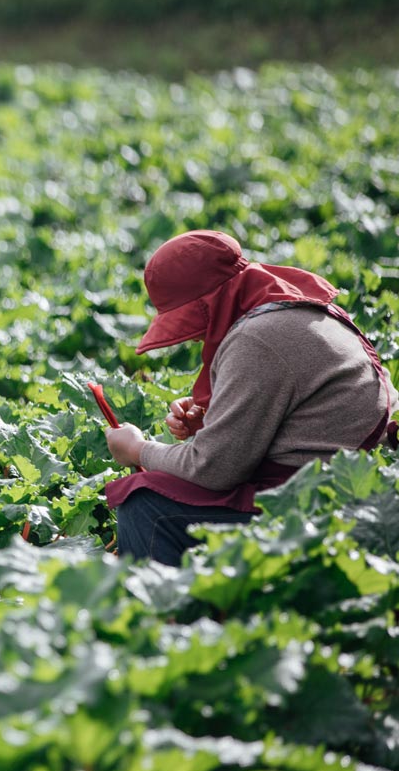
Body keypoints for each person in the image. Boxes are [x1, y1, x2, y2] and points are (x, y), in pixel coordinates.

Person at [103, 229, 396, 566]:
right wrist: (216, 415)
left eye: (192, 321)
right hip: (353, 485)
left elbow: (212, 468)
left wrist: (138, 449)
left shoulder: (256, 340)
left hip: (321, 506)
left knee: (144, 505)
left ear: (209, 303)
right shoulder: (291, 307)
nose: (194, 337)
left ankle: (171, 614)